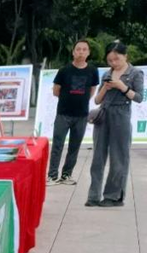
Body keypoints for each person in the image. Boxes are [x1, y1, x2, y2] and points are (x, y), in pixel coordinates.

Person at [87, 41, 144, 207]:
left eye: (117, 59)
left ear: (125, 56)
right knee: (98, 156)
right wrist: (105, 87)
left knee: (119, 157)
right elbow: (97, 100)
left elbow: (139, 97)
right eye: (110, 60)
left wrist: (122, 87)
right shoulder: (107, 73)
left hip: (122, 115)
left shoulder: (135, 73)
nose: (113, 63)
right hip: (103, 115)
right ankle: (93, 196)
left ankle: (113, 197)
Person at [48, 40, 99, 186]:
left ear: (88, 52)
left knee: (74, 146)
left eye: (84, 49)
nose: (81, 52)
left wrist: (81, 100)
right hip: (63, 113)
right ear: (73, 52)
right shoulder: (64, 71)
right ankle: (52, 176)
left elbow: (92, 90)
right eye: (78, 49)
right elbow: (56, 91)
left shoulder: (92, 71)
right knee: (57, 145)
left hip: (81, 115)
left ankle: (66, 175)